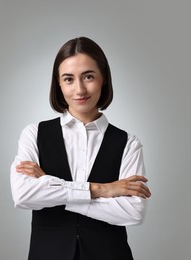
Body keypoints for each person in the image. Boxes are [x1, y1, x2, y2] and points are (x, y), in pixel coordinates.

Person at [10, 36, 151, 260]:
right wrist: (103, 190)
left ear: (103, 79)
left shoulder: (128, 143)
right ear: (58, 83)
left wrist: (52, 187)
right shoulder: (34, 134)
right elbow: (23, 195)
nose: (80, 89)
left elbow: (133, 212)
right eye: (68, 79)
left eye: (88, 76)